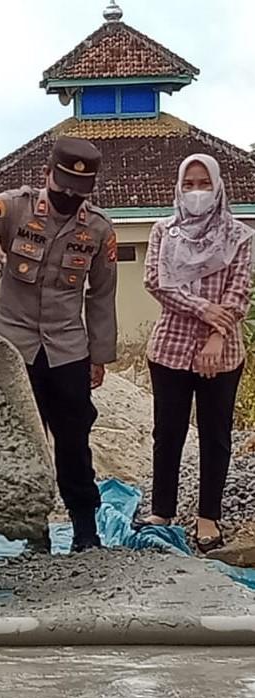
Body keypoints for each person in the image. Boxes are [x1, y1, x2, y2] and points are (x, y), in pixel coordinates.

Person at [0, 136, 118, 553]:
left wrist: (99, 356)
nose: (68, 197)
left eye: (78, 192)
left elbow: (101, 296)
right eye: (61, 188)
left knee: (74, 443)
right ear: (47, 176)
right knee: (24, 442)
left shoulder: (98, 229)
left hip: (67, 351)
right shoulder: (13, 207)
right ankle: (33, 530)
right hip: (13, 350)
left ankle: (85, 530)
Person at [133, 154, 253, 553]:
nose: (196, 191)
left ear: (217, 186)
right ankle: (162, 511)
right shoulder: (164, 231)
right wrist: (205, 310)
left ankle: (208, 517)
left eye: (204, 183)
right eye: (189, 184)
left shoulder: (239, 236)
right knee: (168, 432)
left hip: (224, 351)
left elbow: (239, 291)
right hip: (170, 348)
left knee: (216, 435)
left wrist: (218, 336)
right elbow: (156, 281)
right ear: (178, 188)